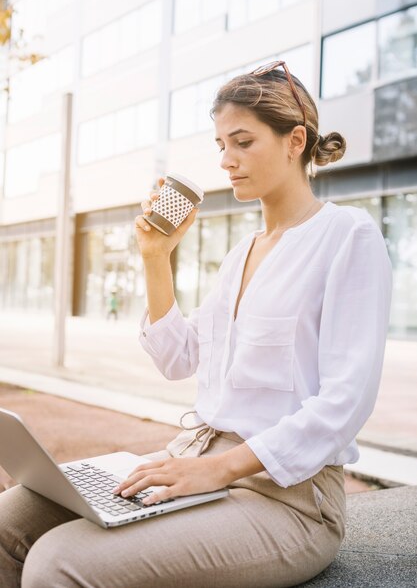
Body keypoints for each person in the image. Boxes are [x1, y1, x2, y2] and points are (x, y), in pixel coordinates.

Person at [0, 61, 392, 588]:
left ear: (295, 140)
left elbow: (345, 403)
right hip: (196, 463)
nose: (226, 161)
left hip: (288, 500)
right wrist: (155, 256)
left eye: (242, 142)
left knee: (59, 560)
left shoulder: (347, 235)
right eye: (220, 145)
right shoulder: (240, 254)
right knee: (12, 519)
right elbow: (178, 358)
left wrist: (218, 470)